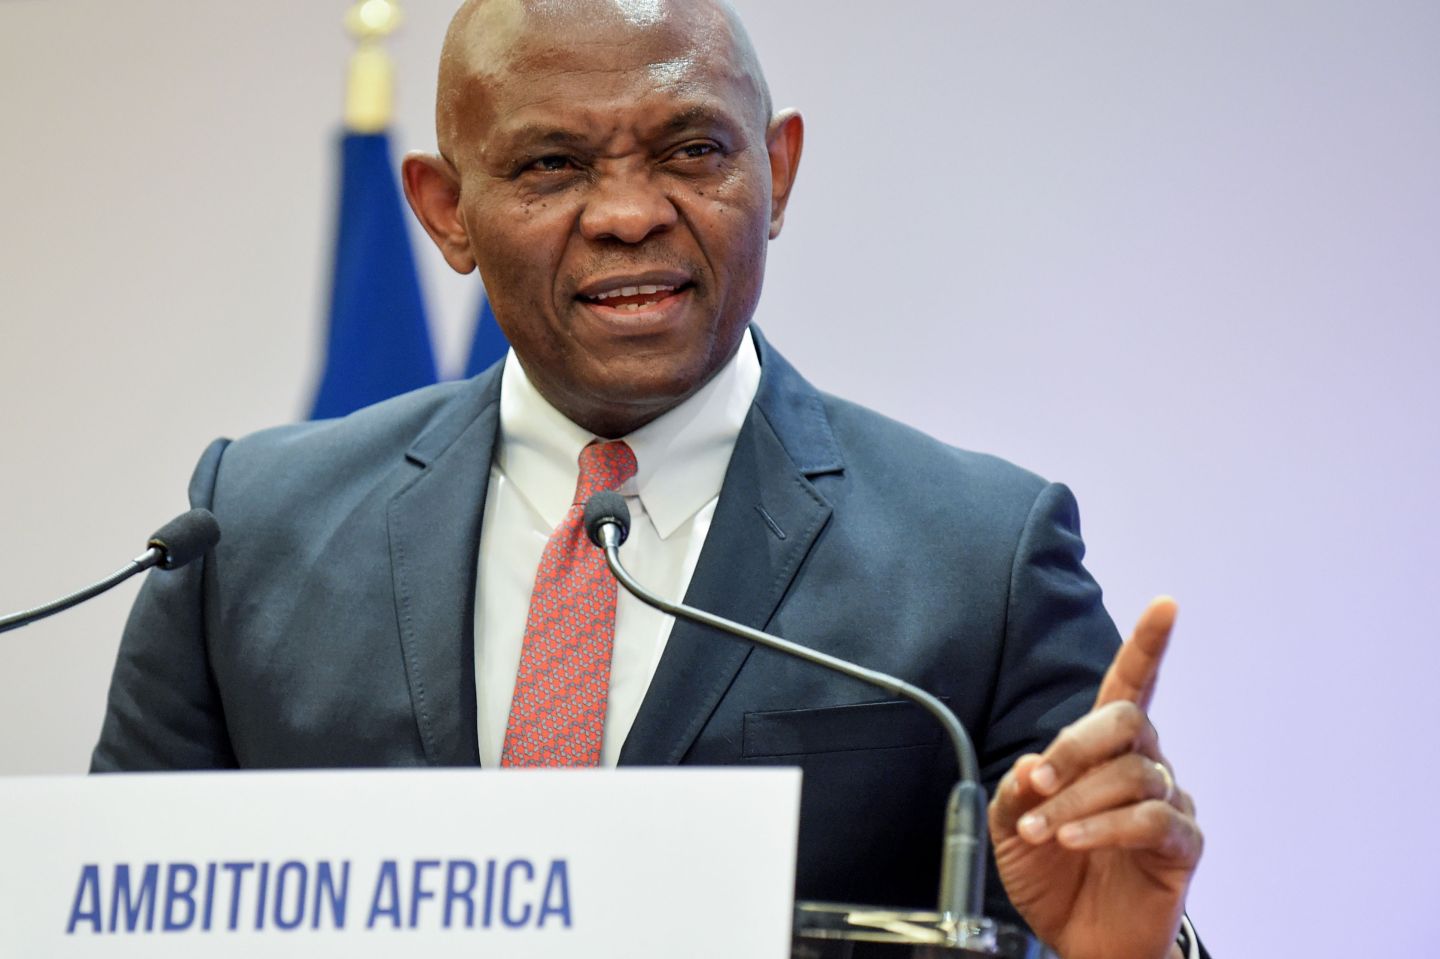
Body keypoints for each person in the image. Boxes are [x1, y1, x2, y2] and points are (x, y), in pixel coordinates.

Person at [93, 1, 1205, 957]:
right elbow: (108, 922)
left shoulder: (983, 556)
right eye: (551, 166)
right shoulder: (247, 527)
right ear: (445, 211)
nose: (629, 213)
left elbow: (1096, 902)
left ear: (775, 172)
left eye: (690, 150)